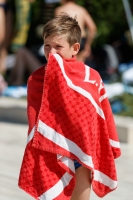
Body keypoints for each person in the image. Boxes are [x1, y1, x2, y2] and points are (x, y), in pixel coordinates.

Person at [18, 13, 121, 200]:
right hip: (50, 148)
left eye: (58, 47)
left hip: (83, 151)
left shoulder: (90, 77)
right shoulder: (37, 79)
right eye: (47, 46)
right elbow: (35, 119)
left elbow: (101, 114)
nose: (52, 53)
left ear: (75, 48)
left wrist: (107, 143)